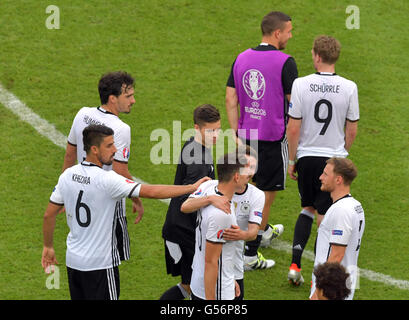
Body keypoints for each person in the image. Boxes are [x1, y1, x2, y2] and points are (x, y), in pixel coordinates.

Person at [41, 124, 210, 300]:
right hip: (100, 265)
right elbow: (151, 191)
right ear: (94, 149)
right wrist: (191, 187)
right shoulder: (108, 180)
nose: (115, 150)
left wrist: (48, 246)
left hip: (74, 263)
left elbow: (49, 214)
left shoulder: (67, 176)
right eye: (109, 146)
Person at [225, 11, 296, 269]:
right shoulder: (286, 62)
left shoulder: (241, 57)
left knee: (247, 185)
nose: (290, 35)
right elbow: (294, 104)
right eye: (288, 31)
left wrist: (236, 132)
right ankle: (251, 254)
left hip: (247, 136)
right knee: (266, 194)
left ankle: (263, 230)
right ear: (277, 33)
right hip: (272, 138)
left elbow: (231, 98)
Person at [286, 35, 359, 285]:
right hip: (333, 159)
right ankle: (322, 274)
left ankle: (295, 265)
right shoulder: (349, 87)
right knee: (326, 217)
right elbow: (352, 129)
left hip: (306, 157)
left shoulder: (300, 84)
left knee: (307, 208)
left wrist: (292, 159)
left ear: (317, 56)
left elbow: (293, 128)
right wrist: (341, 154)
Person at [62, 71, 142, 262]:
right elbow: (120, 171)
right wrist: (136, 197)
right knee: (110, 264)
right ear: (113, 99)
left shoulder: (82, 114)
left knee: (85, 257)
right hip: (108, 207)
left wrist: (64, 191)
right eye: (128, 96)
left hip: (82, 199)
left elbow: (69, 154)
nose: (133, 101)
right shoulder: (121, 129)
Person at [181, 146, 267, 300]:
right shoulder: (222, 211)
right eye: (245, 168)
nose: (250, 173)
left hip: (210, 279)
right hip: (217, 289)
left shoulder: (212, 190)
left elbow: (217, 260)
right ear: (235, 176)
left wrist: (230, 277)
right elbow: (212, 262)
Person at [160, 104, 221, 300]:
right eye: (210, 131)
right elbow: (186, 204)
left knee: (191, 284)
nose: (215, 136)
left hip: (181, 228)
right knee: (197, 284)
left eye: (218, 130)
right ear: (197, 128)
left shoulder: (194, 145)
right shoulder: (198, 160)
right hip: (182, 231)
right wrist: (212, 198)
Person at [310, 157, 364, 300]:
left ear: (338, 179)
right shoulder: (355, 206)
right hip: (343, 284)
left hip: (331, 290)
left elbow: (337, 255)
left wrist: (317, 293)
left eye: (325, 174)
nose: (321, 177)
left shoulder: (341, 210)